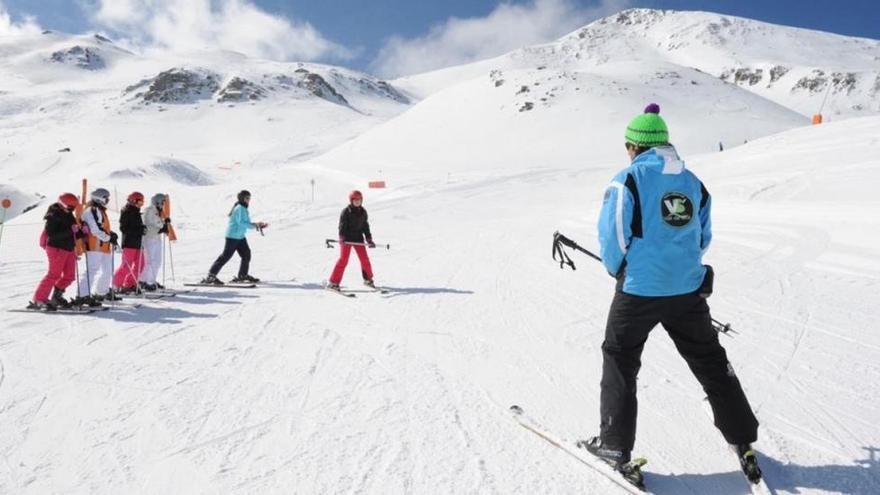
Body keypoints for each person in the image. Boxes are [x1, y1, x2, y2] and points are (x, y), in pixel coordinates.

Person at [580, 104, 761, 486]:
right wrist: (685, 270)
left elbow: (612, 236)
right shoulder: (693, 181)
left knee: (620, 357)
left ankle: (614, 445)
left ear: (635, 146)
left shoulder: (626, 180)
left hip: (639, 290)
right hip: (687, 290)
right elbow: (702, 234)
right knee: (710, 359)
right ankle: (741, 435)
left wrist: (621, 270)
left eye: (627, 145)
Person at [29, 193, 84, 310]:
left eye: (73, 208)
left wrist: (82, 231)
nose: (72, 210)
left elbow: (75, 232)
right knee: (54, 274)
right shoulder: (53, 215)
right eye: (70, 207)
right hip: (56, 248)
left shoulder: (69, 214)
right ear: (62, 204)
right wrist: (71, 231)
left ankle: (56, 297)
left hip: (68, 248)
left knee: (70, 276)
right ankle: (39, 299)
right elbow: (53, 235)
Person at [201, 190, 267, 285]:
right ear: (242, 198)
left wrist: (257, 225)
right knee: (225, 256)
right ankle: (211, 276)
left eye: (249, 198)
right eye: (247, 198)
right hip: (232, 236)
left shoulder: (242, 208)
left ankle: (242, 275)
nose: (249, 200)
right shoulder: (240, 208)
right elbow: (241, 222)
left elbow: (245, 223)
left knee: (246, 254)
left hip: (239, 236)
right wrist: (255, 225)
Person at [327, 190, 376, 290]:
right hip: (347, 239)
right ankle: (333, 282)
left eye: (359, 199)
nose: (358, 201)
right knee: (343, 260)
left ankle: (368, 279)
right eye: (355, 200)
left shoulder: (363, 212)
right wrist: (342, 237)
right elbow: (342, 226)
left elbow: (365, 226)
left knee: (364, 259)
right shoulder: (346, 212)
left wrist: (369, 239)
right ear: (351, 200)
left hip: (358, 238)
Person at [78, 188, 119, 304]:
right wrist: (108, 237)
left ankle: (101, 292)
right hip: (94, 246)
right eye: (106, 198)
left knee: (108, 270)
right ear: (99, 198)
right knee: (91, 271)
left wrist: (111, 235)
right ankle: (82, 296)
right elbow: (95, 230)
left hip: (103, 246)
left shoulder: (100, 210)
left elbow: (102, 228)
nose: (108, 201)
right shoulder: (91, 211)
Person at [112, 192, 146, 294]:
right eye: (140, 202)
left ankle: (129, 284)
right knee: (126, 266)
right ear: (133, 201)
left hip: (138, 243)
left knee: (141, 265)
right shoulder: (126, 211)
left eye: (142, 202)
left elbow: (137, 227)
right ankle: (116, 285)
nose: (141, 204)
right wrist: (138, 231)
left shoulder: (136, 212)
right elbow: (124, 228)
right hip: (129, 243)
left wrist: (142, 229)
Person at [139, 193, 171, 291]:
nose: (163, 205)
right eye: (162, 202)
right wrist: (160, 229)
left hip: (156, 238)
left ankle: (151, 280)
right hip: (149, 239)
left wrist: (165, 224)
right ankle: (144, 281)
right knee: (149, 261)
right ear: (157, 202)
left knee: (157, 261)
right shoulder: (149, 211)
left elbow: (158, 224)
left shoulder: (158, 212)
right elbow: (146, 226)